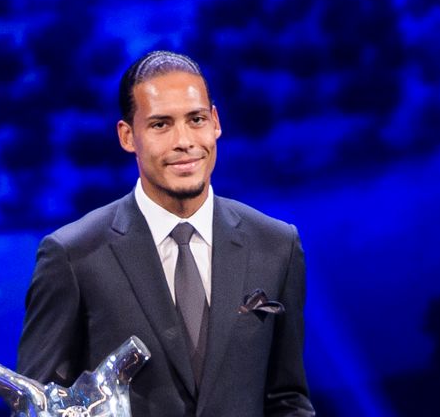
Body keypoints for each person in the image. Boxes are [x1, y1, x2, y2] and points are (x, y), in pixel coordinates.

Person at [17, 50, 315, 416]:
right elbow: (39, 406)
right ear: (128, 136)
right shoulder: (73, 256)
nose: (184, 141)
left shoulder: (276, 245)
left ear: (216, 122)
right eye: (161, 124)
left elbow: (287, 399)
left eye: (196, 119)